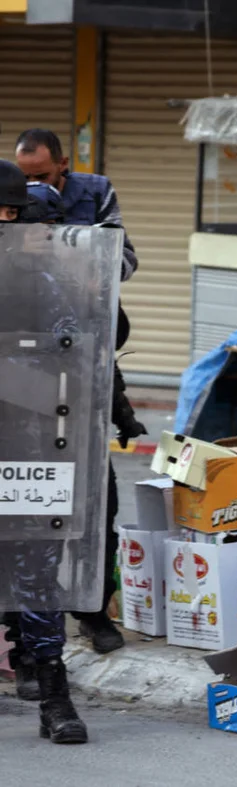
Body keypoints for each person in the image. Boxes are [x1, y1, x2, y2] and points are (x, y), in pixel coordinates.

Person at [15, 128, 142, 655]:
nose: (26, 193)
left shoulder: (94, 193)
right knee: (26, 523)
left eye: (40, 179)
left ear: (63, 167)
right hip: (25, 403)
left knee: (96, 505)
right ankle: (24, 640)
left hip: (81, 368)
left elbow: (123, 260)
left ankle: (92, 609)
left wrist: (92, 272)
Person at [0, 165, 90, 744]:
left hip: (29, 450)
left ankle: (54, 696)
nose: (6, 224)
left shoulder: (36, 277)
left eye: (11, 214)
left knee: (36, 574)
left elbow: (75, 338)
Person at [16, 128, 138, 281]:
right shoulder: (10, 196)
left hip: (87, 300)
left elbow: (127, 260)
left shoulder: (96, 190)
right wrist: (20, 250)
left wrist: (88, 254)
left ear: (63, 163)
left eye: (42, 176)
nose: (34, 184)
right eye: (25, 177)